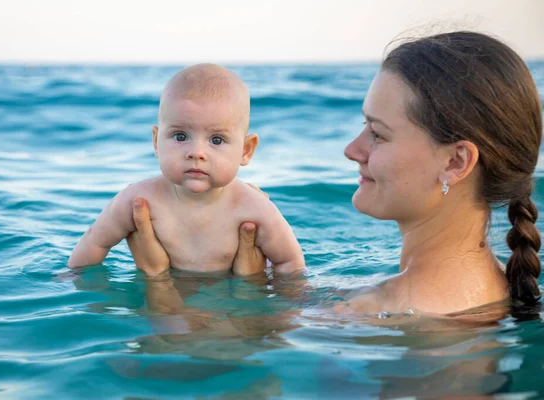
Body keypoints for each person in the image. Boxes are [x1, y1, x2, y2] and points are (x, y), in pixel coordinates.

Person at [127, 31, 542, 315]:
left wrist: (161, 280)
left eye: (377, 134)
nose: (352, 149)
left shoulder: (392, 310)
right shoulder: (492, 282)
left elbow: (212, 358)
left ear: (455, 162)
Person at [68, 63, 305, 276]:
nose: (196, 152)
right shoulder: (138, 199)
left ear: (246, 151)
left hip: (230, 305)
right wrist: (71, 286)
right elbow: (95, 242)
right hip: (170, 296)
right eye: (180, 136)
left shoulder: (254, 208)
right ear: (156, 142)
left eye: (217, 140)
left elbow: (290, 264)